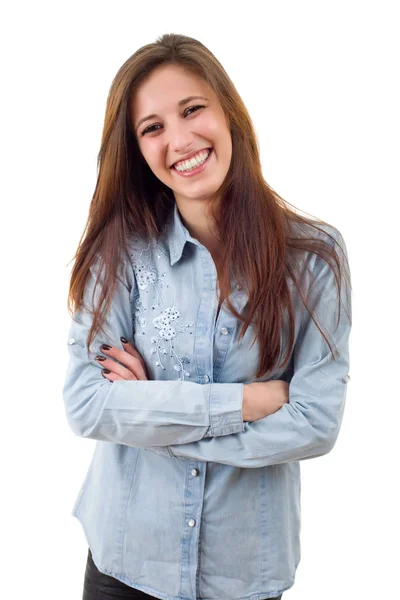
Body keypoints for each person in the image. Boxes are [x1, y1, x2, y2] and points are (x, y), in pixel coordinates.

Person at [63, 33, 352, 600]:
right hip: (125, 562)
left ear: (228, 111)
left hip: (245, 575)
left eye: (192, 109)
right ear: (139, 150)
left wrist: (157, 426)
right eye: (152, 128)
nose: (179, 139)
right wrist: (247, 402)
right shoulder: (120, 254)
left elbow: (317, 422)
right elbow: (87, 403)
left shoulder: (315, 257)